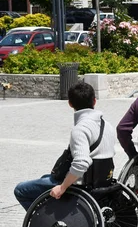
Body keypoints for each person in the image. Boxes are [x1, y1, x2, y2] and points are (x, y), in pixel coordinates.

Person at [14, 82, 117, 210]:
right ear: (94, 101)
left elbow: (81, 163)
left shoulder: (81, 129)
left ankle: (43, 223)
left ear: (70, 103)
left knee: (21, 190)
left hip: (82, 185)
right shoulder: (108, 125)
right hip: (102, 181)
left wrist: (62, 188)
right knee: (45, 178)